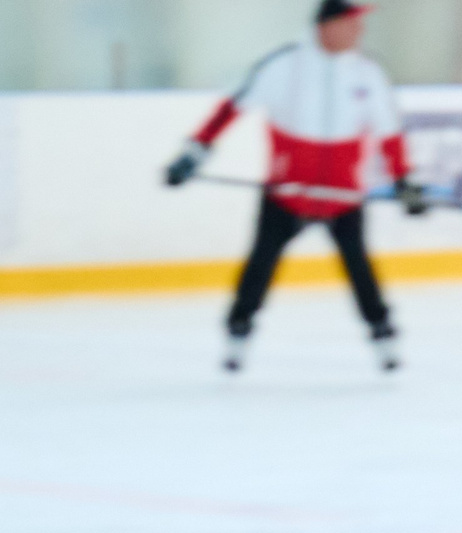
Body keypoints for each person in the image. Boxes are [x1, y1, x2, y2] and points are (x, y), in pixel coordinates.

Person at [164, 0, 425, 373]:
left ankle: (382, 335)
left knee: (360, 269)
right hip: (287, 195)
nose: (359, 32)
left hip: (343, 198)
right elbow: (231, 110)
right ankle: (238, 333)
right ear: (327, 26)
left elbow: (390, 134)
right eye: (352, 23)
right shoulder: (284, 66)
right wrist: (192, 155)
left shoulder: (368, 74)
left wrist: (404, 182)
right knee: (259, 267)